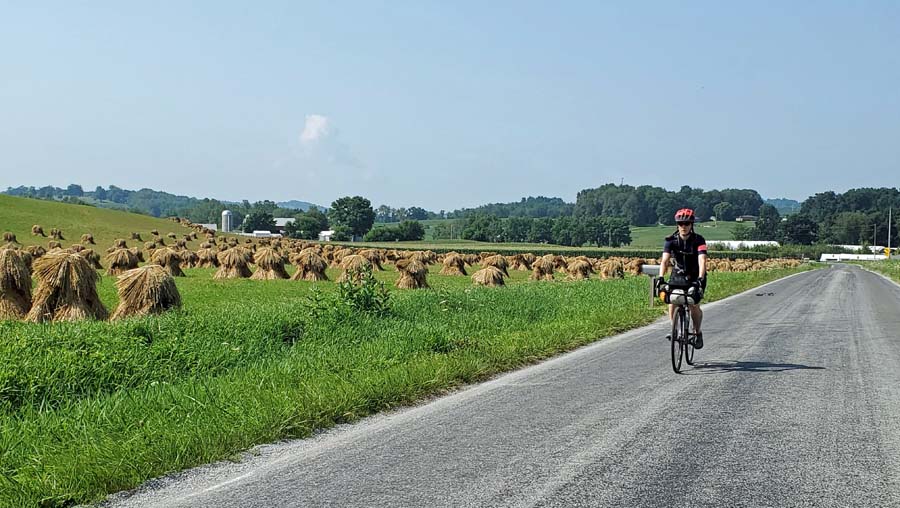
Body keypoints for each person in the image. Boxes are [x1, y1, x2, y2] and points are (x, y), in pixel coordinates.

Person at [656, 208, 708, 348]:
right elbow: (665, 260)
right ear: (677, 225)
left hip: (695, 275)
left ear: (691, 225)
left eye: (686, 223)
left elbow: (702, 260)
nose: (683, 226)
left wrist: (700, 279)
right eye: (680, 224)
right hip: (678, 275)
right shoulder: (671, 240)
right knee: (672, 299)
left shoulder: (699, 240)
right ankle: (675, 330)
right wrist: (661, 277)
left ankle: (697, 333)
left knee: (693, 303)